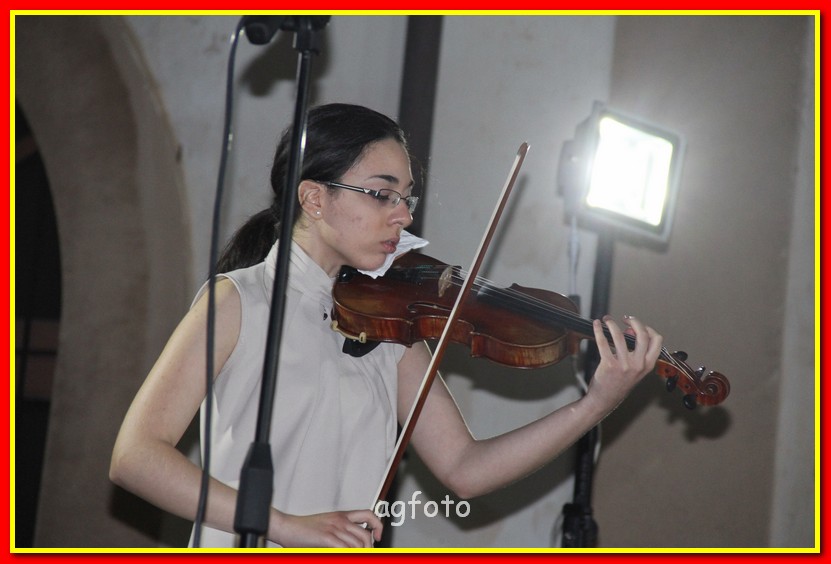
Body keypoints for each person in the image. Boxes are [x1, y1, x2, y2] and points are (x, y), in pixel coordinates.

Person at [109, 103, 663, 548]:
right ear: (314, 198)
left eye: (406, 198)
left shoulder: (390, 331)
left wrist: (595, 404)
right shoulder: (239, 299)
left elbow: (465, 468)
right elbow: (136, 456)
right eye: (382, 194)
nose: (404, 215)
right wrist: (284, 526)